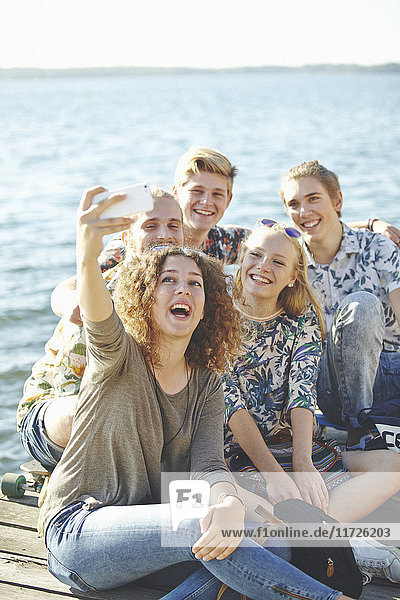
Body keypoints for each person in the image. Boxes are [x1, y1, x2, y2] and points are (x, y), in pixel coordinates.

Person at [39, 187, 354, 600]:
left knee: (269, 543)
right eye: (167, 280)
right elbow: (97, 310)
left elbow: (208, 464)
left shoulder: (208, 380)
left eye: (195, 283)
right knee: (199, 523)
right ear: (145, 297)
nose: (182, 289)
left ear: (208, 305)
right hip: (79, 531)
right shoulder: (117, 353)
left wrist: (228, 502)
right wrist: (86, 249)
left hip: (149, 541)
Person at [223, 220, 400, 525]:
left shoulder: (303, 317)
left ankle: (313, 530)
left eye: (278, 262)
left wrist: (303, 463)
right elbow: (230, 402)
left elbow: (302, 392)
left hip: (295, 444)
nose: (263, 266)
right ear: (241, 258)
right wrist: (274, 475)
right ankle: (334, 537)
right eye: (255, 255)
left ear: (293, 277)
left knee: (392, 467)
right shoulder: (217, 312)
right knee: (264, 508)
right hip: (240, 452)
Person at [18, 186, 184, 470]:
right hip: (60, 413)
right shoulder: (104, 290)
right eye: (150, 225)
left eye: (173, 225)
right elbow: (68, 381)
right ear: (127, 237)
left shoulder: (186, 289)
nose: (164, 234)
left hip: (135, 421)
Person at [280, 160, 400, 452]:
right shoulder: (289, 264)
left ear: (337, 200)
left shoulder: (378, 248)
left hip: (390, 377)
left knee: (362, 304)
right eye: (294, 204)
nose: (304, 212)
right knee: (362, 305)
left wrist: (371, 224)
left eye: (313, 199)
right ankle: (360, 427)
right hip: (335, 391)